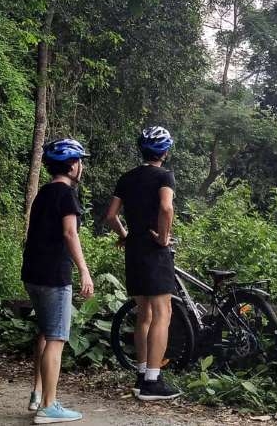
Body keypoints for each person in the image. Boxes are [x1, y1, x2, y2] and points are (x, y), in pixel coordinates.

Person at [103, 126, 182, 401]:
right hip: (153, 249)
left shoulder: (127, 178)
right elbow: (166, 207)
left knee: (143, 313)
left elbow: (111, 215)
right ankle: (153, 380)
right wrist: (163, 238)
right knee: (163, 312)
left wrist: (125, 236)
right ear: (166, 151)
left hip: (134, 248)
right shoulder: (164, 176)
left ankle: (140, 375)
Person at [22, 138, 95, 424]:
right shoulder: (67, 195)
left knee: (45, 332)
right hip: (54, 275)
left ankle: (38, 395)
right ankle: (49, 407)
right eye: (81, 161)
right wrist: (84, 271)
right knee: (56, 338)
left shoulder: (43, 193)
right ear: (72, 164)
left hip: (33, 273)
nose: (82, 167)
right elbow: (69, 234)